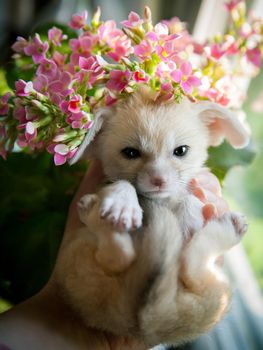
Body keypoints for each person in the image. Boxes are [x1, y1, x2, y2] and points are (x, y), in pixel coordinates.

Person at [0, 160, 228, 350]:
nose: (158, 172)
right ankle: (199, 261)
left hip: (101, 300)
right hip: (163, 308)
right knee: (209, 298)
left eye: (180, 152)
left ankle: (118, 247)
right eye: (131, 153)